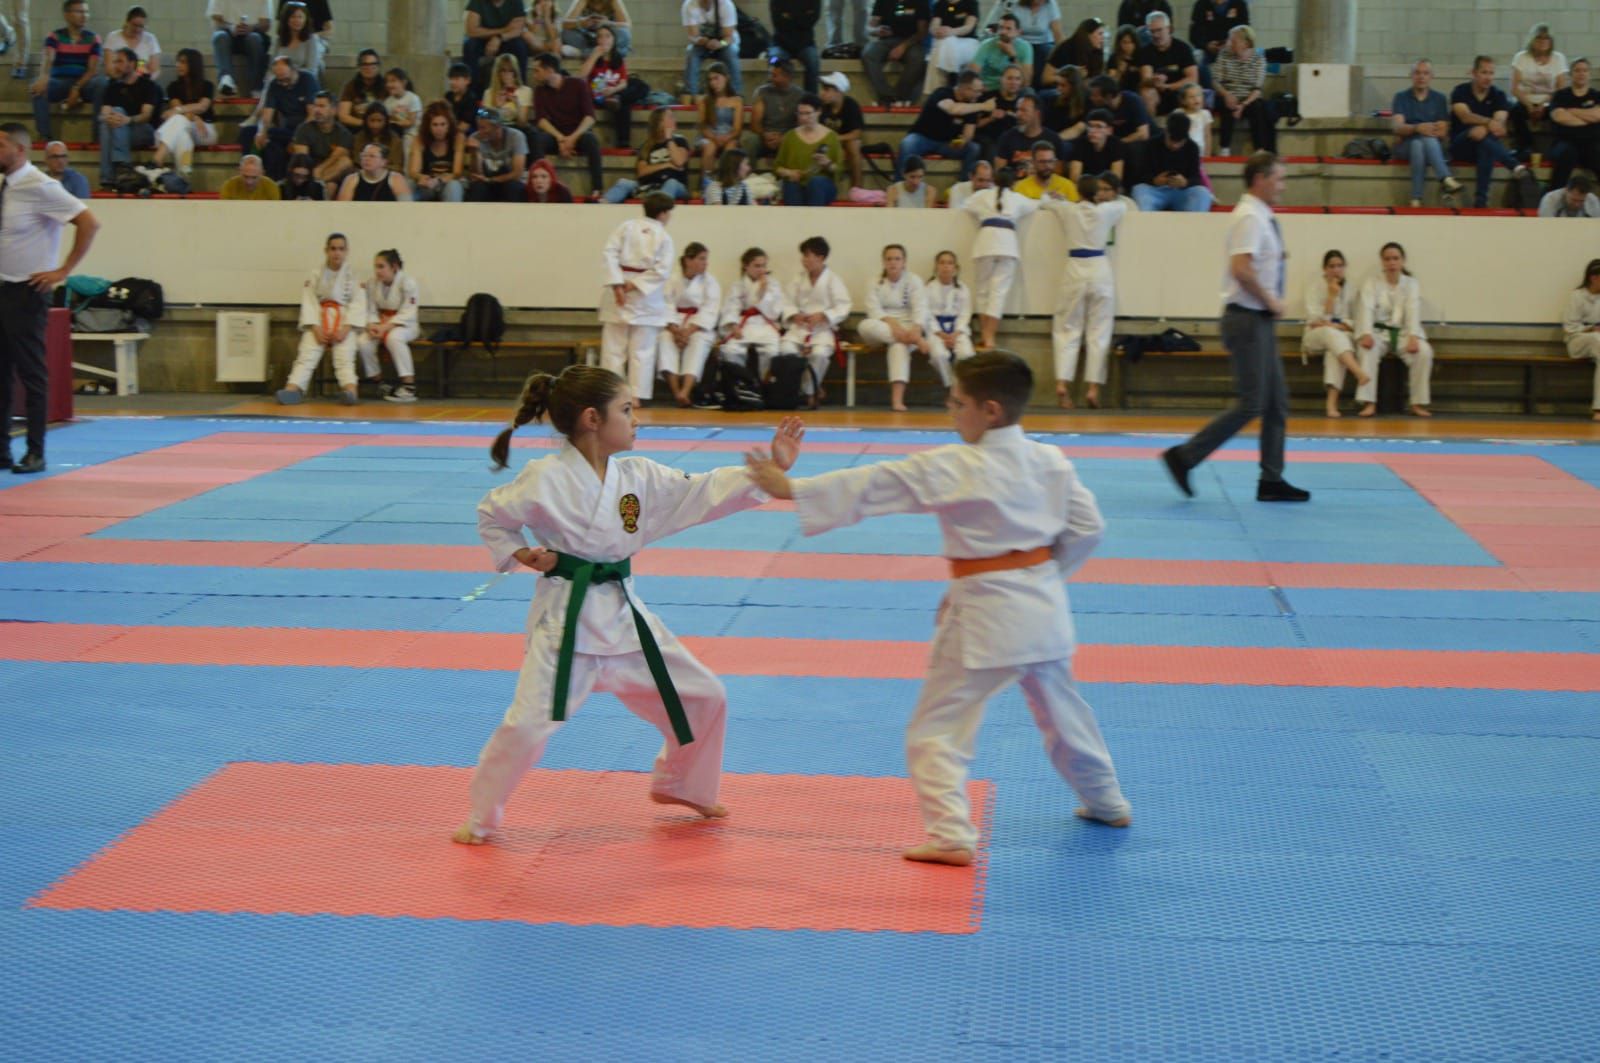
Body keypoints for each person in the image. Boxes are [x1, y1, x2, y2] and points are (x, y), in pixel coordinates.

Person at [744, 350, 1131, 865]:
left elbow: (877, 484)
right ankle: (1106, 801)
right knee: (1065, 716)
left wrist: (790, 489)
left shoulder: (955, 465)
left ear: (989, 410)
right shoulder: (1051, 461)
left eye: (958, 404)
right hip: (1044, 610)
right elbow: (1088, 530)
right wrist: (1041, 574)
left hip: (986, 617)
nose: (952, 415)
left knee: (937, 730)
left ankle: (951, 833)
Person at [451, 367, 807, 845]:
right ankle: (481, 816)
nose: (637, 420)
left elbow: (701, 490)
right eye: (627, 410)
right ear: (592, 419)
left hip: (623, 617)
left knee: (705, 696)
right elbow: (493, 514)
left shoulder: (637, 476)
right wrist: (521, 554)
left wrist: (767, 472)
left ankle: (681, 783)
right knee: (528, 726)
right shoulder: (545, 479)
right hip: (567, 624)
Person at [1162, 151, 1309, 503]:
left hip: (1257, 319)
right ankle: (1185, 456)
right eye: (1279, 179)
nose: (1283, 186)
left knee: (1276, 403)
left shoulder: (1261, 215)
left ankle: (1272, 479)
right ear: (1259, 179)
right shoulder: (1249, 217)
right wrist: (1271, 300)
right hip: (1246, 319)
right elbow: (1242, 268)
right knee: (1252, 403)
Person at [0, 122, 99, 476]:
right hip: (2, 288)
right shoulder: (7, 187)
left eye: (0, 146)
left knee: (31, 374)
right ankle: (2, 451)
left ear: (20, 149)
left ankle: (35, 451)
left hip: (28, 292)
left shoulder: (40, 185)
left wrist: (63, 270)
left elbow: (89, 223)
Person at [1042, 171, 1125, 409]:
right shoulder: (1108, 210)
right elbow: (1123, 205)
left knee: (1067, 327)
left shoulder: (1068, 209)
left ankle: (1062, 384)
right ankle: (1093, 388)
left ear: (1078, 192)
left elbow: (1046, 201)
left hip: (1074, 268)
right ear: (1097, 194)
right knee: (1099, 330)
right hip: (1099, 267)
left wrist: (1058, 197)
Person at [599, 192, 675, 404]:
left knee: (613, 349)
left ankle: (611, 394)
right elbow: (662, 270)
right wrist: (633, 285)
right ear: (663, 213)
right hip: (645, 297)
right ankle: (635, 395)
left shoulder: (626, 226)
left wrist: (618, 285)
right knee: (642, 350)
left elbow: (609, 253)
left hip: (619, 289)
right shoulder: (664, 237)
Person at [277, 232, 367, 406]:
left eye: (341, 249)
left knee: (345, 358)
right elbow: (309, 301)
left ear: (347, 251)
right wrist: (316, 327)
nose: (337, 253)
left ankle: (350, 391)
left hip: (344, 320)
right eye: (333, 249)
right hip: (319, 318)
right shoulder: (315, 274)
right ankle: (292, 389)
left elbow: (358, 304)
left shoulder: (354, 276)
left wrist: (346, 329)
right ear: (326, 250)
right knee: (307, 354)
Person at [1354, 241, 1434, 418]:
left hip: (1404, 332)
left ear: (1402, 261)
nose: (1391, 262)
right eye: (1387, 259)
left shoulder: (1411, 284)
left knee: (1424, 352)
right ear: (1382, 262)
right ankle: (1369, 403)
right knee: (1367, 350)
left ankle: (1417, 403)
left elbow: (1413, 309)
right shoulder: (1371, 283)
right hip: (1378, 333)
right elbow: (1366, 308)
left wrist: (1413, 336)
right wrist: (1366, 333)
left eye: (1395, 258)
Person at [962, 165, 1037, 348]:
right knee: (998, 292)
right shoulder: (1017, 198)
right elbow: (1036, 204)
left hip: (986, 241)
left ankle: (985, 336)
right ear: (1014, 183)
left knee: (982, 290)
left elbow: (965, 206)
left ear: (993, 179)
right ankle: (990, 337)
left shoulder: (981, 196)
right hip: (1007, 243)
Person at [1450, 56, 1536, 208]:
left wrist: (1485, 127)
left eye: (1491, 73)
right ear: (1474, 73)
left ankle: (1480, 202)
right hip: (1461, 144)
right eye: (1484, 72)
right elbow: (1465, 116)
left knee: (1484, 142)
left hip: (1485, 145)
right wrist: (1488, 123)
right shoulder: (1460, 91)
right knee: (1476, 133)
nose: (1488, 77)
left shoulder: (1498, 95)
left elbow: (1499, 125)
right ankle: (1514, 166)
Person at [859, 243, 931, 411]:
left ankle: (897, 400)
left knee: (898, 346)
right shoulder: (874, 282)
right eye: (889, 259)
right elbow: (873, 309)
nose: (893, 263)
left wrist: (916, 329)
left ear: (904, 262)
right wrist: (893, 324)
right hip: (882, 327)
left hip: (909, 326)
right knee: (864, 325)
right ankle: (913, 340)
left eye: (897, 259)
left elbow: (920, 308)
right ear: (883, 262)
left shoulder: (914, 281)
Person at [782, 235, 852, 405]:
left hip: (822, 329)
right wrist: (794, 314)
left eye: (807, 255)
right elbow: (786, 302)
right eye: (803, 255)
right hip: (799, 328)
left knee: (819, 354)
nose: (804, 260)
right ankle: (799, 389)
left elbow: (844, 306)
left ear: (820, 258)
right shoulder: (798, 279)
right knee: (785, 350)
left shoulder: (833, 280)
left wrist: (824, 315)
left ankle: (809, 392)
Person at [1302, 250, 1367, 418]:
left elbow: (1357, 320)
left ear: (1344, 268)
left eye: (1339, 266)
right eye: (1331, 266)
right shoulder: (1314, 288)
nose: (1336, 270)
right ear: (1325, 269)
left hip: (1340, 338)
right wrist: (1331, 297)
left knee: (1335, 351)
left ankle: (1331, 404)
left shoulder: (1352, 290)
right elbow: (1315, 321)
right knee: (1330, 334)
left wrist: (1339, 325)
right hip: (1315, 337)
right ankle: (1358, 372)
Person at [1391, 59, 1463, 208]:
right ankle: (1445, 177)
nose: (1421, 77)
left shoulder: (1439, 99)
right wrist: (1418, 128)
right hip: (1405, 146)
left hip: (1431, 146)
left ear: (1431, 76)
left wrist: (1414, 129)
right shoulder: (1401, 97)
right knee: (1422, 140)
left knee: (1420, 143)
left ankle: (1416, 198)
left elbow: (1442, 131)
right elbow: (1397, 127)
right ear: (1411, 75)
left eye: (1425, 73)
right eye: (1417, 73)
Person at [530, 51, 602, 196]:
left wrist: (572, 139)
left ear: (549, 71)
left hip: (578, 134)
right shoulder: (539, 91)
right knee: (537, 139)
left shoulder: (578, 84)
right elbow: (541, 120)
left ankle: (597, 189)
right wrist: (561, 138)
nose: (534, 75)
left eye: (537, 70)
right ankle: (541, 186)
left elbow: (590, 117)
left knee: (591, 140)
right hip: (556, 136)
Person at [658, 242, 721, 407]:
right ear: (688, 260)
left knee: (698, 342)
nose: (705, 263)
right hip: (674, 323)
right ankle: (676, 391)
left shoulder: (710, 282)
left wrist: (688, 331)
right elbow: (665, 305)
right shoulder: (671, 279)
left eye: (706, 259)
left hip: (698, 325)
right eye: (701, 259)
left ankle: (685, 391)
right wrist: (674, 330)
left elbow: (710, 309)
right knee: (664, 339)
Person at [31, 0, 101, 143]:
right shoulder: (55, 36)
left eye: (86, 12)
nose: (84, 16)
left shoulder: (93, 38)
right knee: (37, 86)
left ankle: (97, 137)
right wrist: (43, 77)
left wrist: (76, 88)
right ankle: (44, 136)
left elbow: (92, 69)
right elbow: (48, 59)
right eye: (79, 12)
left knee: (103, 84)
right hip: (60, 82)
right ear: (67, 15)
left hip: (84, 83)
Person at [900, 69, 990, 179]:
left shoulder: (972, 105)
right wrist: (983, 106)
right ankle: (900, 184)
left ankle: (963, 185)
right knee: (908, 143)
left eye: (980, 91)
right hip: (923, 138)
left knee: (973, 148)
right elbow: (953, 109)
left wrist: (963, 141)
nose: (979, 95)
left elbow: (968, 133)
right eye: (976, 91)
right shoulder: (941, 93)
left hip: (947, 143)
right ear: (964, 88)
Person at [358, 248, 421, 403]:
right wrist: (372, 325)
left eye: (381, 266)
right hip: (380, 323)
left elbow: (408, 312)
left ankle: (408, 386)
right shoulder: (372, 283)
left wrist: (385, 327)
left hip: (406, 325)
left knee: (394, 338)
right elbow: (370, 308)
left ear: (394, 267)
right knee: (363, 341)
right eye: (376, 266)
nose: (377, 271)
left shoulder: (408, 283)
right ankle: (380, 383)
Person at [718, 245, 787, 378]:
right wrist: (733, 326)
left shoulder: (773, 285)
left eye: (764, 265)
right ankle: (741, 383)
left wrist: (763, 292)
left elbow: (775, 312)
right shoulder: (737, 285)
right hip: (744, 325)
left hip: (765, 324)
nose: (761, 270)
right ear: (746, 266)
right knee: (731, 351)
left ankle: (765, 386)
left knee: (771, 352)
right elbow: (731, 306)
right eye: (757, 266)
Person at [95, 47, 158, 188]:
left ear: (131, 64)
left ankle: (110, 175)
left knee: (116, 115)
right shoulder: (112, 87)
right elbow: (104, 113)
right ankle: (119, 170)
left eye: (119, 61)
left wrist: (127, 120)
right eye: (115, 62)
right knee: (106, 123)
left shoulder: (148, 85)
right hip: (120, 132)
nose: (115, 66)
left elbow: (146, 116)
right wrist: (108, 118)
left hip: (142, 130)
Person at [248, 55, 317, 178]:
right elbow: (267, 115)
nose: (283, 83)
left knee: (278, 140)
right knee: (252, 134)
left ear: (293, 69)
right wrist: (261, 132)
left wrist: (297, 138)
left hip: (306, 129)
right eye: (279, 79)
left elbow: (312, 115)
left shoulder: (307, 79)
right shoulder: (275, 84)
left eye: (285, 78)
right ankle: (252, 171)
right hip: (286, 129)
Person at [603, 106, 690, 202]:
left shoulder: (680, 141)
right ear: (659, 123)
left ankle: (658, 210)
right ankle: (602, 205)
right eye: (670, 117)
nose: (674, 120)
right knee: (623, 183)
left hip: (676, 187)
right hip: (649, 187)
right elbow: (642, 172)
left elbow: (679, 162)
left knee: (671, 183)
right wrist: (667, 165)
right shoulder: (647, 146)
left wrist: (669, 138)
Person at [151, 48, 215, 177]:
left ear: (193, 64)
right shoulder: (173, 86)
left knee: (179, 121)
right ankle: (183, 179)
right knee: (183, 136)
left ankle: (157, 160)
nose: (178, 65)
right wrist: (195, 117)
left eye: (183, 62)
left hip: (205, 130)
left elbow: (202, 106)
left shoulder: (207, 85)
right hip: (188, 126)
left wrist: (179, 111)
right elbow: (178, 111)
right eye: (178, 62)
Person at [1509, 23, 1568, 157]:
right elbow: (1514, 88)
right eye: (1539, 38)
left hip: (1549, 101)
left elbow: (1561, 89)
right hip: (1525, 100)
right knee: (1516, 111)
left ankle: (1556, 148)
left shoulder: (1558, 58)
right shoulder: (1521, 57)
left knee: (1559, 112)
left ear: (1551, 41)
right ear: (1532, 40)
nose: (1543, 42)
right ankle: (1525, 147)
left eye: (1546, 38)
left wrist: (1544, 105)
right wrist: (1529, 105)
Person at [581, 24, 646, 146]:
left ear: (613, 40)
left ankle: (623, 142)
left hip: (615, 94)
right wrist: (594, 56)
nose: (604, 40)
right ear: (596, 40)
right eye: (600, 37)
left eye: (607, 36)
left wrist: (614, 91)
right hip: (598, 94)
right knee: (625, 104)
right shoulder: (592, 57)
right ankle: (623, 141)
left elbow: (623, 83)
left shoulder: (618, 59)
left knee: (640, 86)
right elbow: (581, 76)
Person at [1132, 111, 1210, 211]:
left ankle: (1192, 225)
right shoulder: (1151, 144)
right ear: (1166, 131)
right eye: (1172, 141)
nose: (1175, 146)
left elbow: (1196, 177)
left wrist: (1185, 182)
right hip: (1156, 191)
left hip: (1182, 191)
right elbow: (1139, 176)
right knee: (1139, 190)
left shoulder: (1192, 147)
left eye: (1179, 142)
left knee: (1202, 193)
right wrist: (1154, 180)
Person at [1212, 24, 1272, 152]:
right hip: (1229, 94)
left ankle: (1259, 150)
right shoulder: (1224, 54)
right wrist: (1226, 94)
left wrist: (1243, 104)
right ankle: (1224, 149)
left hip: (1249, 99)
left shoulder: (1258, 59)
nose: (1229, 43)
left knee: (1258, 108)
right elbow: (1216, 81)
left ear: (1245, 43)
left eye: (1233, 40)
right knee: (1226, 104)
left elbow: (1257, 89)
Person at [774, 93, 842, 205]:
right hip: (796, 182)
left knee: (816, 183)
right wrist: (788, 172)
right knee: (791, 185)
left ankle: (814, 220)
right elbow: (777, 166)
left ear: (818, 112)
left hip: (822, 185)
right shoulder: (790, 136)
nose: (803, 118)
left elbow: (839, 170)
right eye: (800, 114)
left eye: (808, 113)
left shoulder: (832, 137)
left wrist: (828, 164)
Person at [862, 0, 927, 109]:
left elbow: (922, 32)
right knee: (868, 54)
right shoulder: (882, 2)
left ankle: (900, 96)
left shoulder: (920, 2)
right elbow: (870, 27)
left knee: (918, 58)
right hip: (886, 41)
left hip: (911, 41)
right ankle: (887, 96)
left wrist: (903, 46)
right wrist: (876, 30)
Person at [1548, 58, 1600, 193]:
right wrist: (1588, 118)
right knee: (1567, 154)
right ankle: (1555, 199)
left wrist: (1572, 111)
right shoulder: (1561, 95)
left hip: (1591, 144)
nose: (1581, 73)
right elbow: (1559, 116)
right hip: (1564, 143)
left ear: (1589, 74)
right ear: (1570, 74)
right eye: (1577, 70)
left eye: (1585, 70)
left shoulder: (1597, 95)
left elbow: (1598, 116)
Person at [923, 249, 975, 383]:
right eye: (942, 263)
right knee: (939, 355)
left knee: (966, 354)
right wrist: (940, 334)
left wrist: (955, 334)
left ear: (955, 268)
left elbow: (965, 313)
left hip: (957, 330)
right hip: (935, 331)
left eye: (950, 263)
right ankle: (950, 384)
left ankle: (960, 387)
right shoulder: (928, 288)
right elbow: (926, 314)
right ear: (936, 267)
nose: (946, 266)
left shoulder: (962, 288)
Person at [290, 90, 353, 195]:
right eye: (315, 106)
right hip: (308, 170)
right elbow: (302, 158)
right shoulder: (304, 129)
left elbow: (337, 157)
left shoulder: (344, 133)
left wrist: (320, 169)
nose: (317, 110)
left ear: (333, 110)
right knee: (330, 186)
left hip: (329, 170)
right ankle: (314, 184)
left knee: (345, 162)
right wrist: (313, 171)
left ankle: (315, 184)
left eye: (322, 106)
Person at [1135, 10, 1196, 116]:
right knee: (1147, 92)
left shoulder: (1183, 48)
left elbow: (1193, 78)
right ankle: (1152, 129)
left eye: (1159, 30)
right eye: (1152, 31)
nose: (1156, 35)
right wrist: (1154, 80)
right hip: (1157, 93)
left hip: (1179, 91)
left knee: (1192, 91)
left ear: (1169, 29)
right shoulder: (1145, 52)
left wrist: (1169, 87)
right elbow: (1146, 78)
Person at [743, 56, 803, 163]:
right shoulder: (762, 92)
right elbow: (754, 124)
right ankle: (747, 176)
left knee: (797, 141)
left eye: (775, 75)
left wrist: (784, 138)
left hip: (788, 138)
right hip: (764, 137)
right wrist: (764, 135)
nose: (771, 78)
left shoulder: (800, 96)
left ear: (787, 77)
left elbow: (802, 126)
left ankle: (789, 177)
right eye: (771, 74)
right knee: (751, 140)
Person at [207, 0, 271, 97]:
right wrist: (231, 27)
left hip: (253, 34)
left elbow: (266, 24)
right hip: (228, 35)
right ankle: (226, 78)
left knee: (255, 39)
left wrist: (251, 28)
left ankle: (256, 87)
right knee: (219, 36)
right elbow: (216, 22)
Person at [1563, 258, 1600, 421]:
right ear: (1594, 278)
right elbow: (1570, 327)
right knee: (1595, 338)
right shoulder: (1577, 296)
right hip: (1577, 341)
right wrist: (1591, 329)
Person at [693, 61, 742, 181]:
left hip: (728, 136)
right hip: (708, 136)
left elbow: (737, 129)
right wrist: (714, 138)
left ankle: (728, 183)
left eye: (716, 78)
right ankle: (706, 184)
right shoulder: (704, 100)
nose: (713, 83)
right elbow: (703, 126)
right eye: (710, 80)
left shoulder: (736, 101)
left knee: (731, 147)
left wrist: (727, 137)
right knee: (710, 146)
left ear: (726, 78)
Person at [464, 0, 531, 86]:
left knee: (520, 46)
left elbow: (517, 30)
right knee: (469, 45)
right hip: (482, 40)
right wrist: (503, 30)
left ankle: (521, 88)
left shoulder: (517, 2)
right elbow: (471, 30)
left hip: (507, 39)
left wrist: (499, 38)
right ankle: (472, 92)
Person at [409, 101, 466, 202]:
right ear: (428, 126)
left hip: (449, 182)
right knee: (408, 184)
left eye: (443, 124)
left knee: (453, 186)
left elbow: (457, 173)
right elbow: (414, 171)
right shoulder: (419, 139)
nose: (439, 129)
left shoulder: (458, 138)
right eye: (435, 125)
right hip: (428, 184)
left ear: (449, 125)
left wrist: (439, 180)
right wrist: (422, 178)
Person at [466, 108, 527, 201]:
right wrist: (475, 153)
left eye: (483, 128)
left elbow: (517, 174)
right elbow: (476, 176)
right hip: (487, 184)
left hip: (508, 183)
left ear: (497, 127)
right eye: (479, 127)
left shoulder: (516, 137)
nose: (480, 131)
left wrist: (491, 180)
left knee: (513, 187)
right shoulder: (475, 138)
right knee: (477, 187)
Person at [682, 0, 740, 98]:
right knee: (691, 53)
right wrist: (702, 41)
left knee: (731, 53)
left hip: (723, 43)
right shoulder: (689, 5)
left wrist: (720, 44)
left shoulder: (726, 5)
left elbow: (729, 37)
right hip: (702, 43)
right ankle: (691, 94)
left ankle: (736, 94)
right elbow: (693, 35)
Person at [818, 70, 864, 188]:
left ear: (839, 91)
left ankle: (856, 187)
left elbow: (857, 133)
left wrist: (836, 138)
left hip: (843, 143)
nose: (822, 93)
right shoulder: (821, 107)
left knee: (853, 144)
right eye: (823, 89)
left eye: (826, 90)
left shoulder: (851, 106)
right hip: (825, 144)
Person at [923, 0, 979, 96]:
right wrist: (937, 31)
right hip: (945, 44)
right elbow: (933, 26)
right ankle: (953, 78)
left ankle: (934, 92)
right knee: (945, 43)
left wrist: (952, 31)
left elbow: (969, 27)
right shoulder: (940, 4)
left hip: (968, 42)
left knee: (944, 44)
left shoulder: (971, 2)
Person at [972, 63, 1024, 161]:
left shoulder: (1024, 102)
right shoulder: (988, 98)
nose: (1013, 82)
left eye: (1017, 79)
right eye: (1010, 78)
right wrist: (991, 118)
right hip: (989, 140)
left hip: (1012, 141)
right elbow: (973, 125)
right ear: (1001, 79)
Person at [769, 0, 822, 93]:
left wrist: (789, 16)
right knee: (773, 60)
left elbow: (812, 20)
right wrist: (802, 15)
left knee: (813, 61)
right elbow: (777, 21)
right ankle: (775, 98)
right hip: (780, 44)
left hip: (805, 44)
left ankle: (811, 101)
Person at [969, 13, 1031, 91]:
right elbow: (972, 73)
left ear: (1018, 32)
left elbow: (1026, 82)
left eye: (1008, 29)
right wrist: (980, 86)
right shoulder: (987, 45)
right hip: (989, 89)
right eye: (1001, 28)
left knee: (1028, 91)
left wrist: (1012, 56)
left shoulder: (1025, 47)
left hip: (1013, 89)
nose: (1003, 32)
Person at [1087, 72, 1153, 143]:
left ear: (1108, 96)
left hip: (1145, 143)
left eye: (1095, 95)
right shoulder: (1099, 106)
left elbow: (1143, 134)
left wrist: (1118, 145)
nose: (1091, 98)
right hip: (1120, 142)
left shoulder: (1132, 100)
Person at [337, 142, 412, 201]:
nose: (366, 159)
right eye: (364, 155)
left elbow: (406, 206)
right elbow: (343, 208)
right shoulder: (351, 179)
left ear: (384, 162)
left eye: (372, 156)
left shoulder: (396, 179)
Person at [1066, 107, 1125, 182]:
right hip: (1085, 188)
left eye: (1098, 126)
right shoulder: (1080, 143)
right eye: (1090, 126)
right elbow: (1074, 177)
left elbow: (1116, 178)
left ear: (1109, 130)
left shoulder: (1116, 144)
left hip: (1106, 188)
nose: (1092, 130)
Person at [1186, 0, 1246, 69]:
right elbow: (1194, 34)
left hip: (1233, 51)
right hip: (1207, 52)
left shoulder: (1239, 4)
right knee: (1198, 62)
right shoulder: (1201, 4)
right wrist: (1206, 45)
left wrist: (1229, 44)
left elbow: (1245, 32)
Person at [560, 0, 631, 58]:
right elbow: (564, 25)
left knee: (624, 34)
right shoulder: (581, 1)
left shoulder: (614, 1)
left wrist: (607, 23)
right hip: (588, 38)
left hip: (607, 39)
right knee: (566, 33)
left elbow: (626, 25)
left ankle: (582, 53)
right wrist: (582, 23)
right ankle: (607, 52)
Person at [1043, 17, 1105, 83]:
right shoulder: (1066, 48)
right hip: (1060, 90)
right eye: (1100, 34)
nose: (1102, 37)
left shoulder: (1097, 52)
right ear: (1088, 35)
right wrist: (1072, 77)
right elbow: (1046, 78)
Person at [271, 1, 320, 84]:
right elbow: (271, 67)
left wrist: (290, 74)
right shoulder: (279, 40)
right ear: (286, 19)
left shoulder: (311, 39)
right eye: (293, 17)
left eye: (300, 17)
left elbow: (312, 70)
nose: (297, 20)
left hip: (303, 82)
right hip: (280, 81)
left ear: (305, 19)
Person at [336, 48, 384, 132]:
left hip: (382, 129)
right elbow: (343, 116)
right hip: (357, 129)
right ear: (359, 67)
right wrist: (366, 124)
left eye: (373, 64)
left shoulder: (386, 85)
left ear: (378, 66)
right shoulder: (351, 86)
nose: (369, 68)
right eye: (365, 64)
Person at [382, 67, 423, 157]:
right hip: (395, 133)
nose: (389, 84)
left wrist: (395, 123)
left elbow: (411, 122)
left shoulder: (413, 98)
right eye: (387, 82)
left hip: (412, 133)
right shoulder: (387, 102)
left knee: (407, 143)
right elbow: (387, 119)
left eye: (393, 81)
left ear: (403, 82)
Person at [443, 61, 479, 135]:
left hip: (467, 134)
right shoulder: (448, 96)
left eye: (456, 79)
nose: (452, 82)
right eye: (451, 79)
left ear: (467, 80)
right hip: (448, 130)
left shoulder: (471, 99)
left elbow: (464, 126)